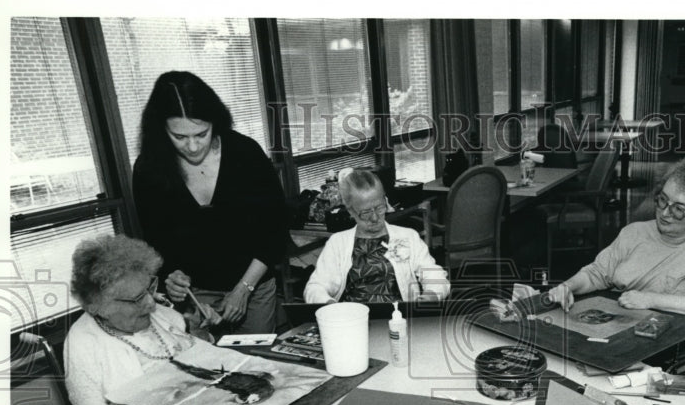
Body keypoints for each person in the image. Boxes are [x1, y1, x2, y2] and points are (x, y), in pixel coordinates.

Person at [132, 71, 288, 335]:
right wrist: (173, 278)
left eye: (201, 134)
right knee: (204, 369)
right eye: (179, 137)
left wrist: (243, 290)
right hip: (195, 295)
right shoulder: (149, 169)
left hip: (253, 283)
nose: (192, 146)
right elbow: (157, 241)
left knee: (258, 364)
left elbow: (273, 231)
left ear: (215, 122)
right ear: (161, 130)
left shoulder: (245, 153)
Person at [548, 156, 685, 319]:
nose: (665, 213)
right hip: (621, 321)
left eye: (678, 209)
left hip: (671, 333)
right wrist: (568, 286)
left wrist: (650, 299)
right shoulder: (633, 233)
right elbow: (596, 274)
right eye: (662, 200)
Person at [65, 234, 215, 405]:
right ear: (100, 306)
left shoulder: (160, 314)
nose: (151, 303)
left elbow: (204, 359)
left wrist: (200, 330)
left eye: (149, 289)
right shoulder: (83, 342)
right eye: (137, 299)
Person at [303, 168, 450, 304]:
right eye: (366, 212)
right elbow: (315, 288)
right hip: (353, 321)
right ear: (351, 211)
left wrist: (430, 295)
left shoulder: (408, 237)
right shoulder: (338, 243)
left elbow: (436, 276)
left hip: (399, 319)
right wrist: (329, 305)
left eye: (380, 208)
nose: (374, 218)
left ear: (385, 201)